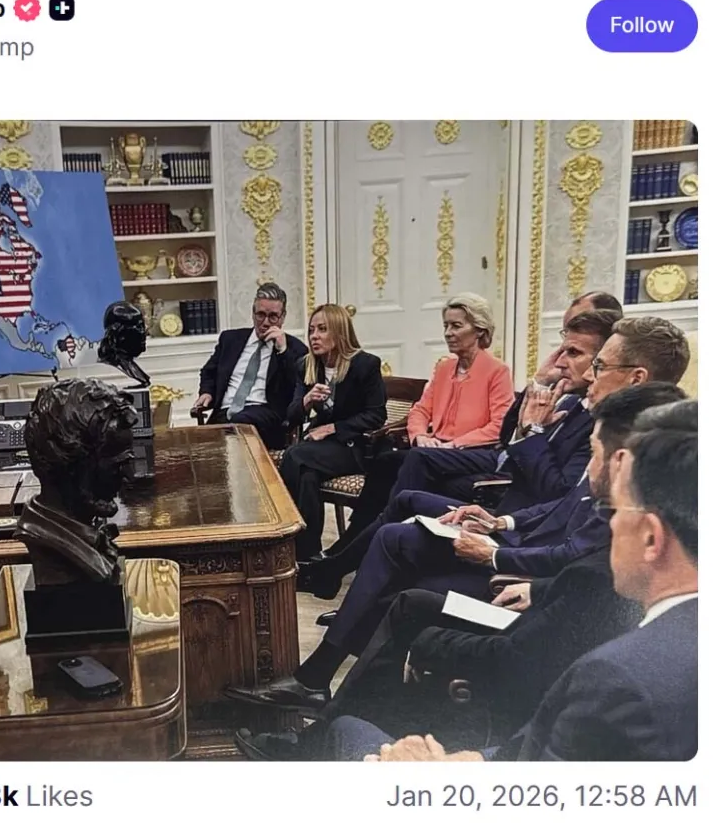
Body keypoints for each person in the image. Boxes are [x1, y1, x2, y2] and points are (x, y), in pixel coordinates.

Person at [226, 383, 686, 716]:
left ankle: (328, 687)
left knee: (399, 562)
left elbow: (569, 548)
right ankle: (328, 681)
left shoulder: (626, 490)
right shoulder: (589, 422)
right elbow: (559, 507)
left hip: (519, 571)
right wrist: (501, 522)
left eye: (591, 359)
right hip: (517, 540)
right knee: (401, 527)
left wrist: (498, 555)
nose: (567, 363)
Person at [330, 398, 697, 762]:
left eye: (612, 510)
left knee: (345, 730)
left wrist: (442, 769)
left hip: (517, 620)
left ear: (651, 536)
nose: (609, 523)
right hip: (529, 587)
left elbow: (537, 770)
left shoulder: (616, 677)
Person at [303, 314, 691, 599]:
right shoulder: (570, 399)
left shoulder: (611, 431)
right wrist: (537, 386)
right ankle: (343, 567)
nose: (579, 369)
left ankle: (348, 572)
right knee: (400, 474)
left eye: (586, 358)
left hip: (509, 499)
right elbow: (508, 434)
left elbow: (555, 491)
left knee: (408, 499)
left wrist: (530, 436)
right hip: (504, 496)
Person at [335, 294, 513, 547]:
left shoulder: (497, 371)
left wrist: (453, 445)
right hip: (434, 450)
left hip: (472, 453)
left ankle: (381, 537)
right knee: (385, 462)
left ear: (479, 330)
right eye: (446, 326)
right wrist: (420, 436)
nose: (448, 333)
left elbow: (499, 426)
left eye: (456, 326)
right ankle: (355, 535)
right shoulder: (444, 368)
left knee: (416, 459)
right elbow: (419, 410)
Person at [281, 304, 386, 560]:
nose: (314, 336)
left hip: (354, 446)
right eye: (311, 330)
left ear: (339, 333)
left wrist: (334, 428)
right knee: (306, 476)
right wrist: (306, 401)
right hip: (319, 450)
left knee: (294, 456)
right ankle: (309, 556)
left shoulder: (364, 365)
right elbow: (291, 416)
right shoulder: (306, 365)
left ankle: (285, 539)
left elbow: (376, 415)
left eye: (322, 330)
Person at [192, 283, 307, 450]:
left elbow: (294, 389)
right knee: (197, 443)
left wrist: (282, 351)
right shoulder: (230, 339)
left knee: (238, 423)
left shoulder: (295, 349)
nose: (265, 322)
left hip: (265, 415)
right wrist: (206, 392)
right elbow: (209, 371)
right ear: (253, 314)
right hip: (225, 413)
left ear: (283, 317)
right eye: (261, 315)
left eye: (273, 317)